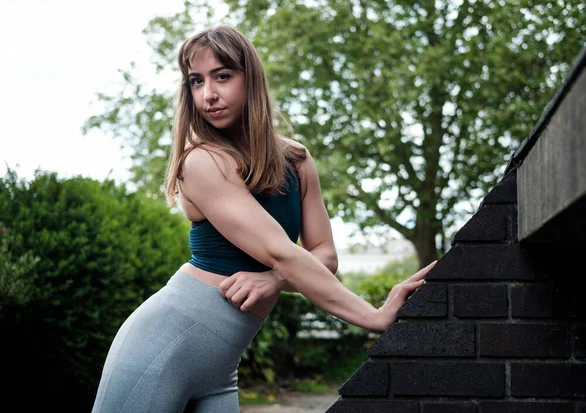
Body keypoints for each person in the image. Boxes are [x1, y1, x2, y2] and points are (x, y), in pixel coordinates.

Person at [91, 25, 436, 413]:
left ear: (250, 79)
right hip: (162, 344)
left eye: (223, 76)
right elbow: (283, 252)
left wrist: (273, 280)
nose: (209, 94)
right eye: (196, 81)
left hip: (222, 367)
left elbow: (324, 255)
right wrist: (373, 317)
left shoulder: (296, 161)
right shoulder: (202, 161)